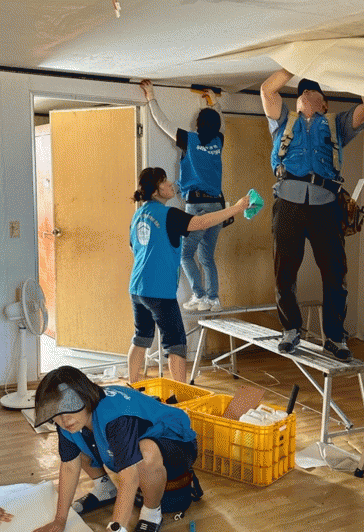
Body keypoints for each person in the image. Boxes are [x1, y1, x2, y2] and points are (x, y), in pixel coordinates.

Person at [260, 68, 364, 360]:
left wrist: (347, 70)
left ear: (325, 104)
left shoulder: (338, 124)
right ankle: (291, 330)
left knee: (335, 273)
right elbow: (267, 90)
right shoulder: (283, 121)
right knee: (284, 272)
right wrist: (297, 65)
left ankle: (335, 338)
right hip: (288, 203)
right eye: (301, 91)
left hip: (326, 205)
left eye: (312, 90)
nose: (304, 93)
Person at [32, 365, 198, 532]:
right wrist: (60, 520)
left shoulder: (115, 417)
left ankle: (151, 513)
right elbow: (69, 466)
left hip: (178, 443)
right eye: (57, 413)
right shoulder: (69, 423)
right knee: (75, 447)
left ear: (86, 397)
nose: (65, 419)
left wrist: (116, 528)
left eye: (70, 409)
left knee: (146, 452)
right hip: (134, 448)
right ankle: (105, 489)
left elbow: (129, 478)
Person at [128, 167, 249, 383]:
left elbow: (133, 247)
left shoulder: (138, 215)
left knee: (141, 338)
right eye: (164, 181)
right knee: (176, 344)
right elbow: (201, 223)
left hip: (137, 288)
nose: (170, 184)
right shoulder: (168, 214)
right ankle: (180, 394)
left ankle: (133, 385)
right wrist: (237, 208)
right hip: (159, 291)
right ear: (155, 191)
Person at [140, 79, 226, 312]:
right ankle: (213, 299)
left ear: (198, 124)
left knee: (185, 255)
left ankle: (200, 295)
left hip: (196, 206)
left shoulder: (190, 140)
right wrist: (214, 102)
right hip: (217, 206)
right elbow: (222, 124)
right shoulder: (219, 140)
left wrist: (151, 97)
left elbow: (162, 122)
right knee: (207, 256)